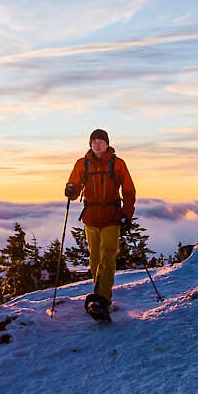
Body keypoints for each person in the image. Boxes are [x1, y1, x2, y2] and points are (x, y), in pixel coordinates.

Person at [64, 128, 136, 318]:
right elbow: (75, 185)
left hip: (112, 217)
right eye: (94, 141)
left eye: (101, 141)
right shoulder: (82, 164)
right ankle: (101, 297)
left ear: (107, 144)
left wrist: (127, 215)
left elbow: (128, 190)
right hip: (91, 218)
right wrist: (71, 190)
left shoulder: (118, 164)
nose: (97, 144)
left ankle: (101, 298)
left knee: (108, 256)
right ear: (90, 144)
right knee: (95, 257)